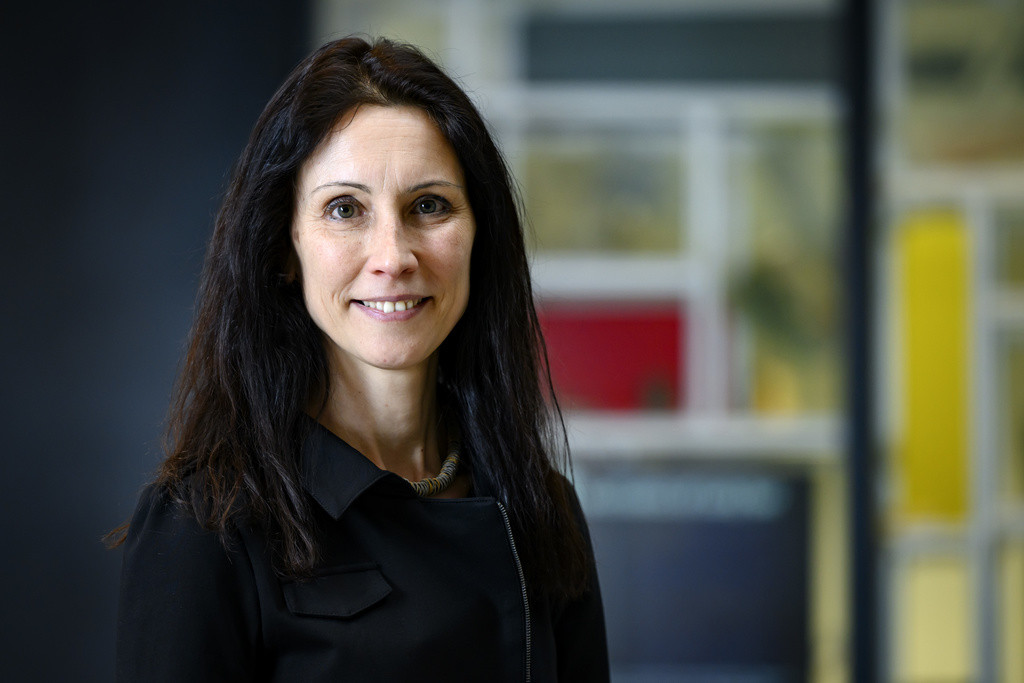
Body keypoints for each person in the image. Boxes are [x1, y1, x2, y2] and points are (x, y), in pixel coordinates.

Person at [111, 36, 609, 682]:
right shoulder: (205, 526)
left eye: (428, 205)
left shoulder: (541, 506)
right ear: (285, 247)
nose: (393, 256)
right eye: (344, 209)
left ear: (478, 236)